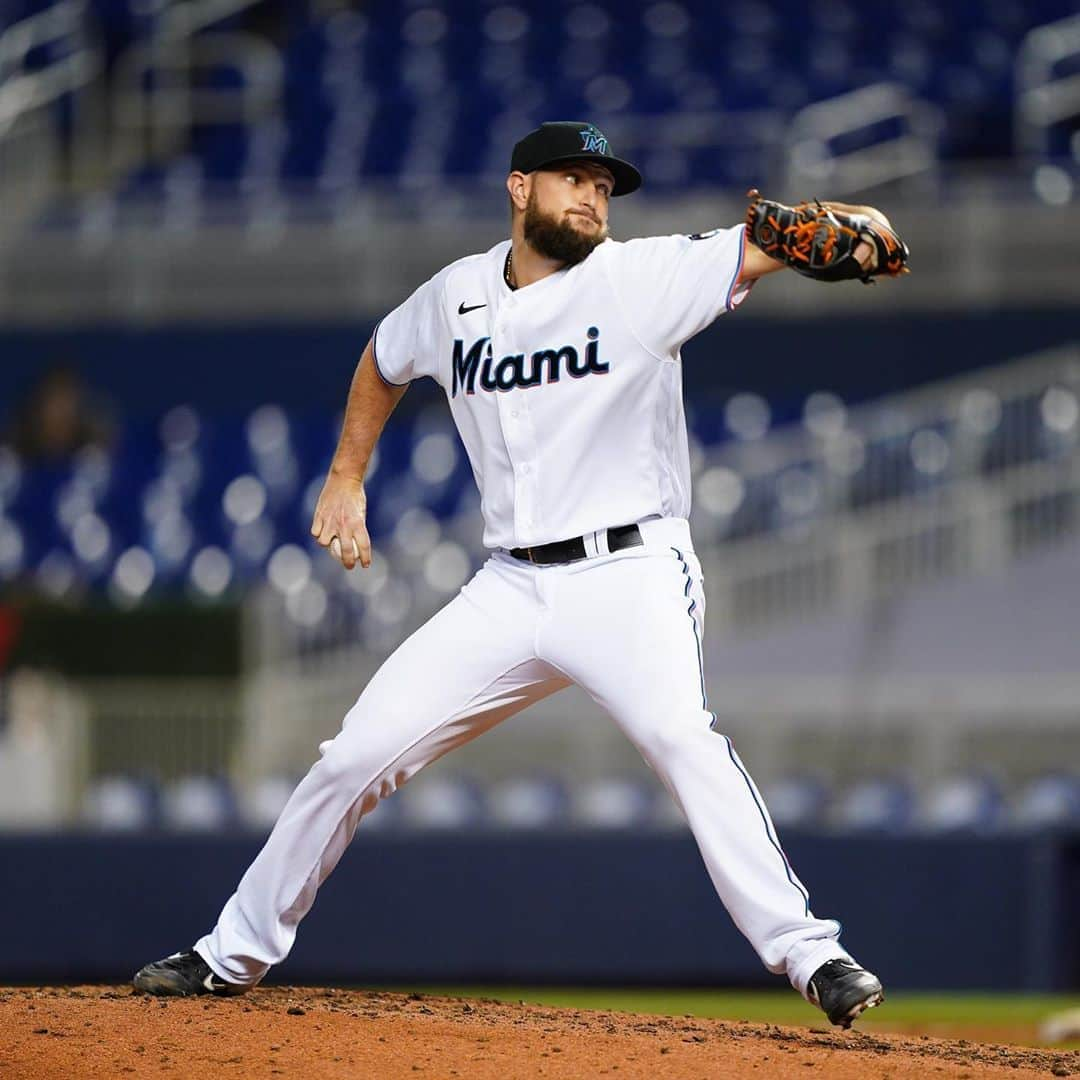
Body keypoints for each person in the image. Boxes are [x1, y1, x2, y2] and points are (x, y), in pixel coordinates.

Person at [134, 121, 903, 1027]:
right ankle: (232, 955)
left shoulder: (639, 277)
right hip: (506, 587)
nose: (591, 196)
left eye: (604, 187)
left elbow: (805, 238)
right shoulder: (454, 295)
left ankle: (813, 954)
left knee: (681, 740)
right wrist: (347, 474)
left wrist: (864, 227)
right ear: (518, 189)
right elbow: (382, 362)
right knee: (352, 758)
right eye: (572, 179)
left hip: (629, 573)